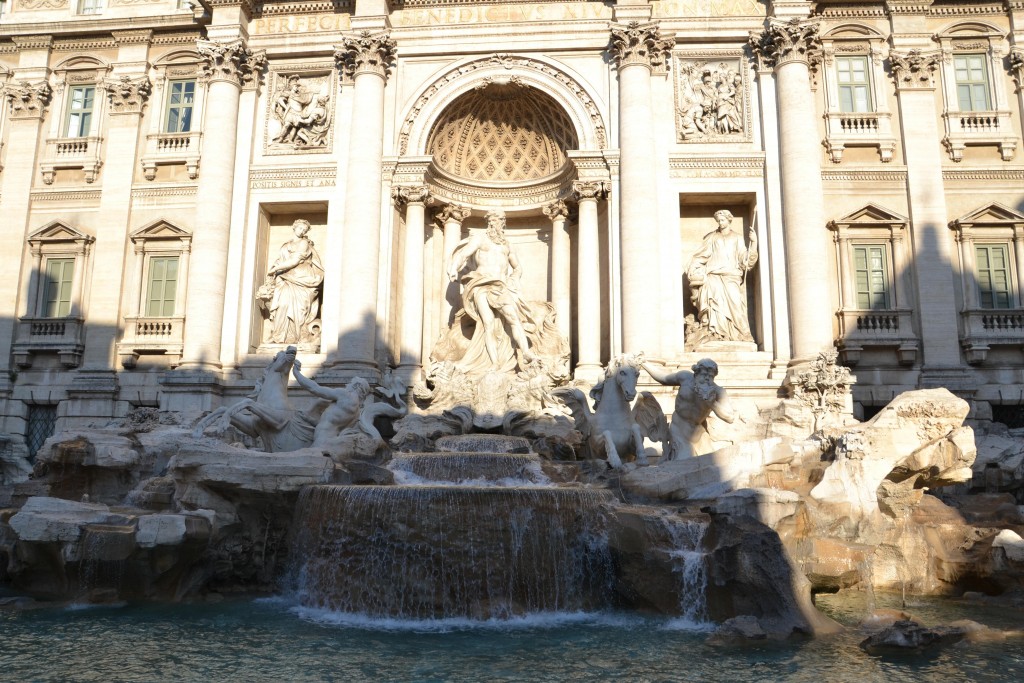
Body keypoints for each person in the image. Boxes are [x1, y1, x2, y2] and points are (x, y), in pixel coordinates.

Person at [447, 210, 536, 369]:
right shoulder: (480, 239)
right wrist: (454, 267)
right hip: (481, 284)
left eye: (501, 220)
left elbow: (517, 267)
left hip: (500, 286)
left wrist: (514, 279)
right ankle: (494, 362)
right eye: (495, 220)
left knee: (513, 318)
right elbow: (464, 254)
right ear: (489, 222)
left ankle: (526, 352)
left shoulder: (507, 244)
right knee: (487, 323)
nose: (498, 223)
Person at [686, 209, 757, 342]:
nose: (720, 223)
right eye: (718, 221)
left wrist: (753, 243)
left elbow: (744, 259)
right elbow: (702, 255)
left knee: (736, 303)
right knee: (714, 303)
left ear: (729, 220)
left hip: (731, 275)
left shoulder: (737, 237)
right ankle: (715, 333)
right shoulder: (712, 237)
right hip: (713, 275)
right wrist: (694, 267)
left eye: (722, 220)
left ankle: (741, 334)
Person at [643, 358, 736, 460]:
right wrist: (644, 363)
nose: (707, 379)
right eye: (704, 375)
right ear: (696, 373)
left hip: (699, 435)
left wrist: (712, 403)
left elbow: (730, 417)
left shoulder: (718, 391)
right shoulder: (685, 378)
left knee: (709, 467)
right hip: (678, 430)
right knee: (684, 461)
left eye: (711, 376)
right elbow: (663, 378)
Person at [262, 219, 324, 345]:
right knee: (283, 304)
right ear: (294, 228)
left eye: (304, 230)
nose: (302, 231)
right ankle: (279, 336)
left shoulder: (304, 243)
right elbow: (282, 259)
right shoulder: (286, 245)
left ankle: (298, 337)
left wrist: (275, 269)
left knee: (299, 309)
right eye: (300, 228)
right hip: (285, 278)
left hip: (302, 278)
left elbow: (294, 261)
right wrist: (275, 269)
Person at [291, 361, 371, 448]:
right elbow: (331, 424)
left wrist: (296, 373)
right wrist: (309, 419)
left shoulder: (346, 395)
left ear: (356, 386)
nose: (347, 384)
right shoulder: (357, 412)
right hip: (330, 441)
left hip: (322, 441)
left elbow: (315, 388)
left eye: (350, 383)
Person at [272, 76, 313, 144]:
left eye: (297, 86)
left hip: (298, 112)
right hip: (291, 112)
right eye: (295, 86)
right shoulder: (288, 93)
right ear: (292, 87)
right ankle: (281, 138)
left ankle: (290, 139)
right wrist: (285, 107)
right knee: (287, 125)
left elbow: (305, 100)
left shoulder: (299, 95)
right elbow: (279, 98)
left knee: (295, 127)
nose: (297, 87)